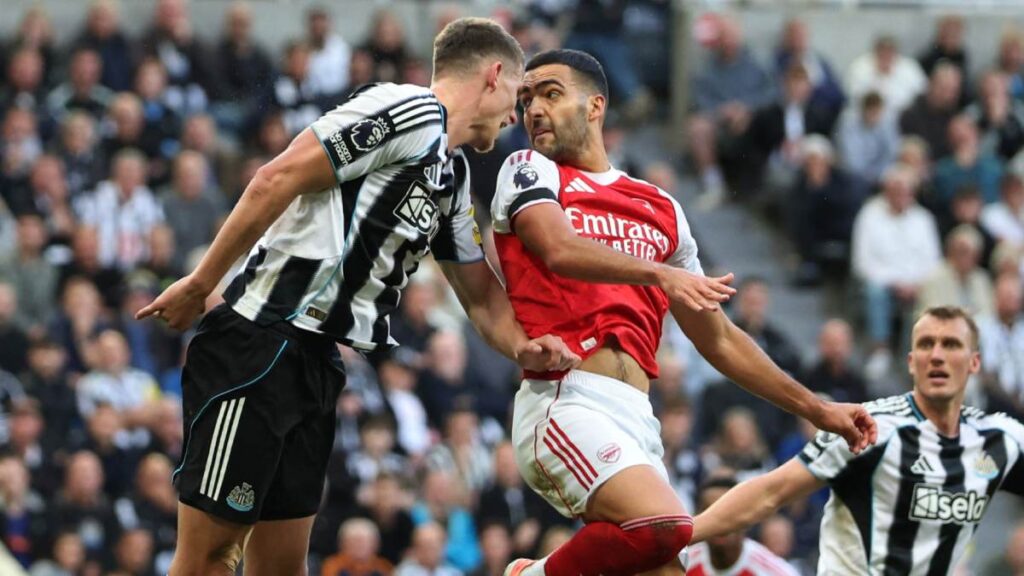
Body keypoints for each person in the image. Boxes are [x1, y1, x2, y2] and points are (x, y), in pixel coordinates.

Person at [136, 18, 585, 576]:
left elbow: (479, 294)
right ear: (493, 75)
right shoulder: (407, 110)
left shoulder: (453, 175)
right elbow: (275, 178)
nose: (515, 116)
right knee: (209, 556)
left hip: (318, 362)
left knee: (280, 566)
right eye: (516, 97)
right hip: (261, 342)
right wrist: (202, 283)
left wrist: (524, 347)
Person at [492, 49, 875, 576]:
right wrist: (659, 273)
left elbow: (718, 338)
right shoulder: (529, 169)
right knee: (662, 525)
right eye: (526, 97)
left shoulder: (661, 207)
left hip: (637, 419)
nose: (534, 109)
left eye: (551, 94)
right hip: (565, 399)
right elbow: (556, 248)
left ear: (595, 105)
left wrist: (816, 409)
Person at [692, 306, 1024, 575]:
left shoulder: (1001, 440)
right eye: (926, 344)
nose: (936, 356)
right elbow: (769, 492)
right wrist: (682, 536)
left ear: (975, 363)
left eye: (951, 344)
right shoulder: (867, 426)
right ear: (911, 362)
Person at [685, 476, 798, 576]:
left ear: (746, 517)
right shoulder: (681, 566)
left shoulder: (774, 572)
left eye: (729, 512)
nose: (720, 524)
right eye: (709, 512)